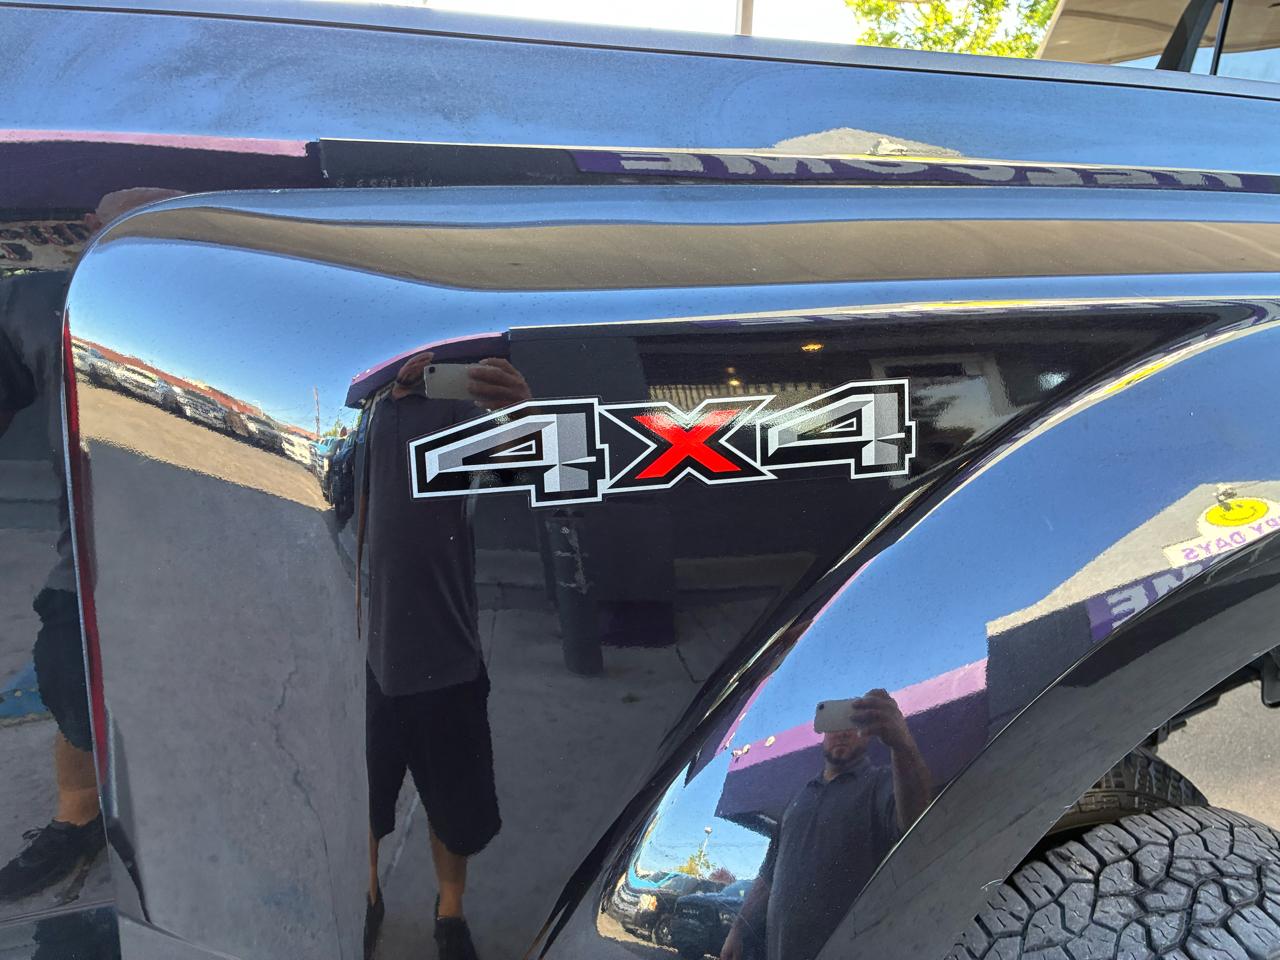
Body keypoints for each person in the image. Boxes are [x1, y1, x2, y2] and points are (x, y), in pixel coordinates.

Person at [357, 351, 530, 960]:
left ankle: (450, 912)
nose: (416, 356)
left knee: (453, 810)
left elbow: (517, 469)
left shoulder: (459, 403)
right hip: (366, 656)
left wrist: (519, 414)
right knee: (365, 803)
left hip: (446, 657)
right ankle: (369, 896)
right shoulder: (366, 409)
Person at [0, 271, 104, 902]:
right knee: (69, 669)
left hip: (218, 528)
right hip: (90, 540)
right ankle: (79, 816)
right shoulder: (35, 291)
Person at [720, 689, 932, 960]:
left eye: (852, 723)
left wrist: (902, 745)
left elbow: (917, 824)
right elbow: (768, 875)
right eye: (834, 725)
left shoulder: (881, 783)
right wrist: (738, 928)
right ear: (822, 734)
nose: (841, 733)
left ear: (867, 734)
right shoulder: (799, 798)